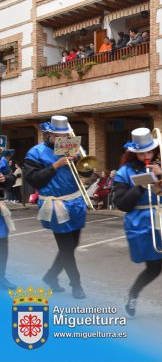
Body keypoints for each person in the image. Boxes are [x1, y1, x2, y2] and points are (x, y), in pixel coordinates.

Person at [113, 128, 162, 323]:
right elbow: (121, 204)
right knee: (154, 268)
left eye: (150, 152)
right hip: (142, 220)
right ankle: (132, 294)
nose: (146, 156)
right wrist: (140, 186)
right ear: (134, 153)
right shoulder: (124, 171)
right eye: (142, 153)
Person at [24, 115, 90, 299]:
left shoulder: (73, 147)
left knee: (72, 244)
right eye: (58, 135)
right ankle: (76, 284)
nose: (62, 139)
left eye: (65, 135)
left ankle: (51, 276)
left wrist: (79, 160)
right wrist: (55, 165)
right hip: (54, 204)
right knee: (67, 247)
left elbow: (88, 171)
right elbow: (33, 180)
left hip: (75, 202)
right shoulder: (35, 152)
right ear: (50, 134)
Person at [0, 152, 17, 289]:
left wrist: (4, 178)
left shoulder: (2, 161)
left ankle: (1, 278)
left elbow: (12, 178)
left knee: (2, 244)